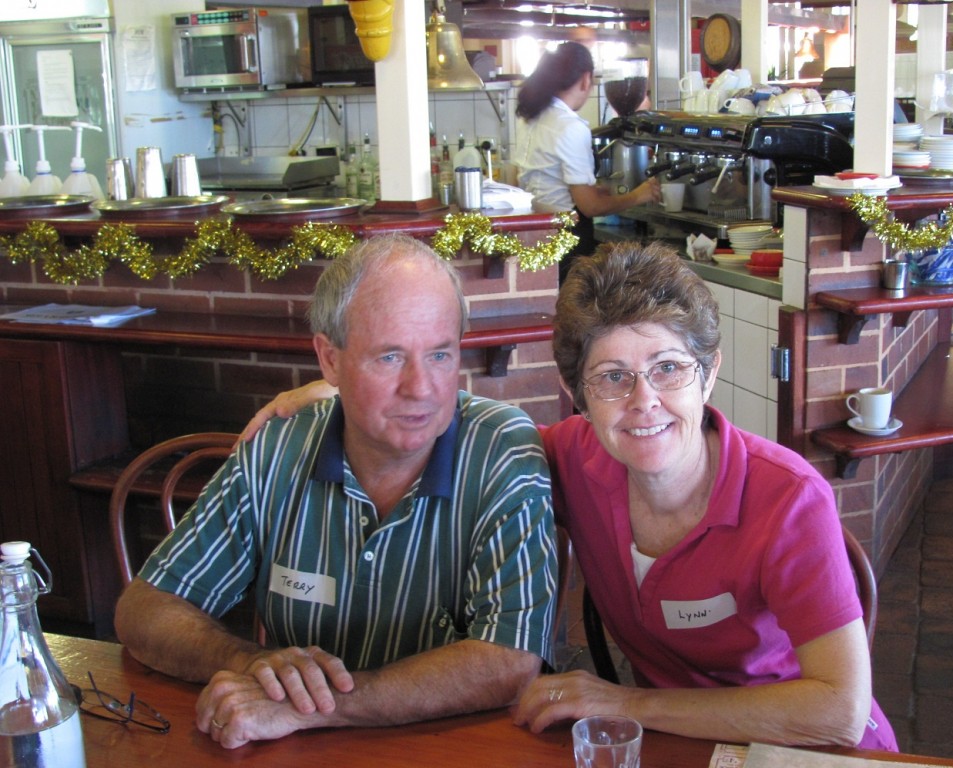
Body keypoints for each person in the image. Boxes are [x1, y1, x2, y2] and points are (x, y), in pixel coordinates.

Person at [242, 242, 897, 751]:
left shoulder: (788, 501)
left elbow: (838, 711)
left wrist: (626, 704)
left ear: (709, 373)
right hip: (679, 744)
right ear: (577, 394)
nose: (644, 402)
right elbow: (454, 427)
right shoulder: (576, 460)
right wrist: (343, 394)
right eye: (612, 377)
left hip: (807, 749)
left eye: (669, 368)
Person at [114, 234, 558, 750]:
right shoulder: (278, 450)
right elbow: (144, 608)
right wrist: (257, 666)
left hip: (451, 749)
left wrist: (307, 707)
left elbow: (510, 660)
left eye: (440, 354)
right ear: (329, 360)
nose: (421, 388)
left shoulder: (502, 449)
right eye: (390, 357)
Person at [515, 42, 660, 281]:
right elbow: (590, 207)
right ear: (585, 79)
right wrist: (639, 195)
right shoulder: (570, 126)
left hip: (535, 233)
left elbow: (542, 180)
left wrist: (593, 190)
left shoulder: (531, 118)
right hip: (565, 241)